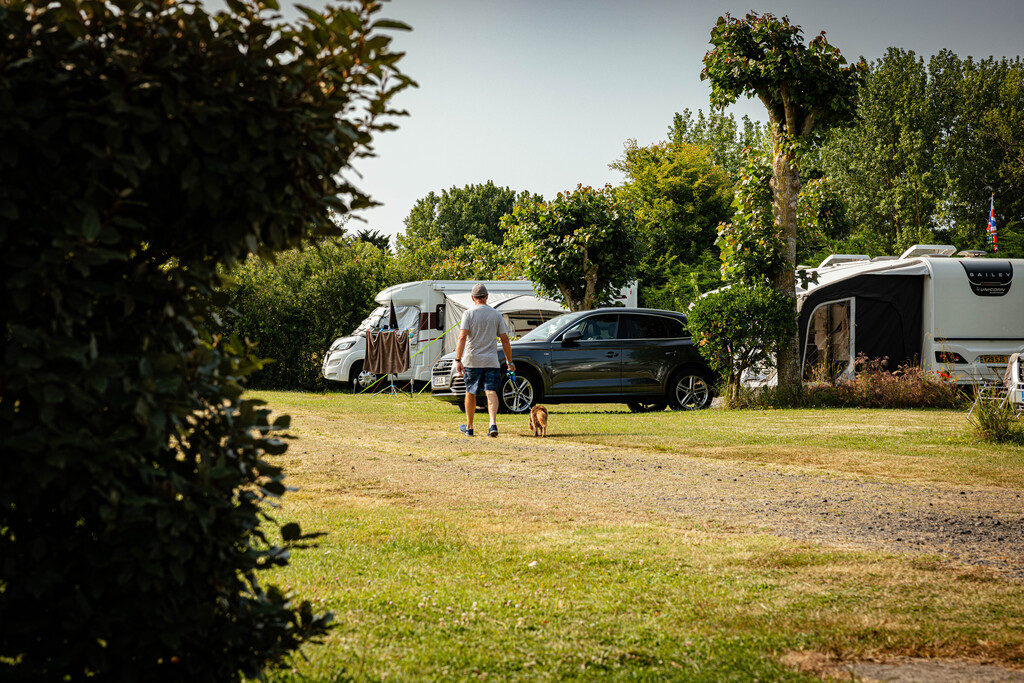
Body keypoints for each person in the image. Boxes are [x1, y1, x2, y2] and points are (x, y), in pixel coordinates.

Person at [455, 283, 515, 437]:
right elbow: (505, 339)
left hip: (472, 360)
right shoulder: (495, 314)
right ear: (487, 297)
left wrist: (458, 359)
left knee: (470, 392)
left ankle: (469, 427)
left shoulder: (468, 314)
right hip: (491, 361)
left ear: (472, 298)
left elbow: (462, 337)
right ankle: (492, 424)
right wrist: (509, 362)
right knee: (491, 391)